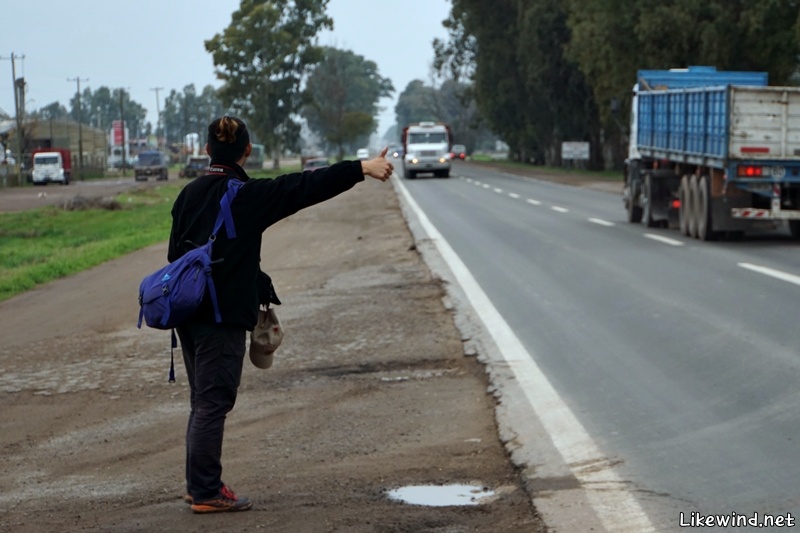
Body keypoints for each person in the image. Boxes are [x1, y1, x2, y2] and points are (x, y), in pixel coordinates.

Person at [168, 116, 393, 513]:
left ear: (206, 151)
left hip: (187, 314)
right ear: (248, 151)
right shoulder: (245, 196)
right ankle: (205, 492)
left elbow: (176, 257)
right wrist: (361, 168)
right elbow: (304, 186)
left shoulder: (187, 195)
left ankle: (197, 485)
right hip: (221, 321)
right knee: (213, 401)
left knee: (202, 400)